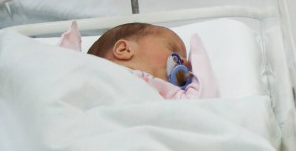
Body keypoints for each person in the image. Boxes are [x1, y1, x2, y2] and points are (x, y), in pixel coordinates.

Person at [68, 21, 217, 100]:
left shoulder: (162, 90)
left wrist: (198, 60)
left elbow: (199, 104)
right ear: (124, 50)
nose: (185, 63)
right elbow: (58, 76)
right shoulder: (87, 73)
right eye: (173, 51)